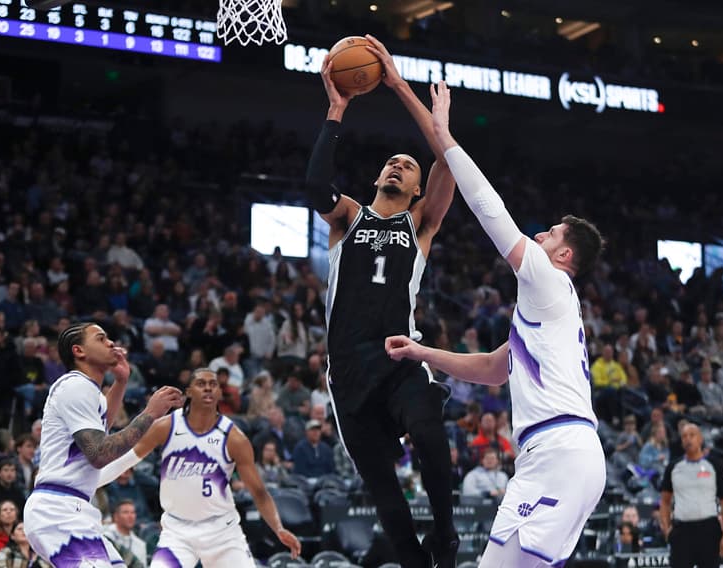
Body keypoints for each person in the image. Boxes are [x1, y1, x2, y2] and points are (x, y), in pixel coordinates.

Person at [385, 80, 606, 567]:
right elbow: (490, 368)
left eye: (550, 234)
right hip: (550, 455)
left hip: (559, 450)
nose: (540, 234)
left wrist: (444, 136)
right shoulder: (548, 315)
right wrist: (422, 353)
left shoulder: (548, 281)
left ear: (563, 255)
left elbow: (491, 211)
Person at [307, 37, 458, 568]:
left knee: (426, 427)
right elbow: (313, 185)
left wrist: (395, 83)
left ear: (419, 189)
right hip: (347, 367)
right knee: (384, 492)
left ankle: (447, 534)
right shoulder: (349, 215)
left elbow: (449, 158)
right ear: (377, 176)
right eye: (391, 162)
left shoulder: (420, 224)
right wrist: (335, 109)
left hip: (398, 354)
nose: (397, 166)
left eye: (407, 166)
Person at [95, 368, 301, 567]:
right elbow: (125, 461)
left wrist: (278, 527)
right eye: (201, 384)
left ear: (220, 393)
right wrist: (84, 486)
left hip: (222, 532)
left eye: (213, 384)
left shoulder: (234, 438)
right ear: (189, 392)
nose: (208, 388)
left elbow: (259, 492)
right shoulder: (166, 427)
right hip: (177, 532)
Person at [23, 322, 183, 566]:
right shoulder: (75, 385)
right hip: (57, 511)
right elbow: (99, 452)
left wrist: (120, 382)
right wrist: (150, 413)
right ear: (79, 351)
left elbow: (102, 429)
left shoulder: (88, 391)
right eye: (100, 338)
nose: (110, 343)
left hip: (73, 510)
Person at [659, 424, 723, 568]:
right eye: (684, 436)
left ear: (700, 439)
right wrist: (666, 529)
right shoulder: (673, 467)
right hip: (681, 530)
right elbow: (665, 501)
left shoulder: (715, 465)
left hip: (708, 529)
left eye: (692, 435)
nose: (688, 439)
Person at [103, 500, 147, 568]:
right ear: (116, 517)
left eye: (133, 512)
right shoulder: (104, 535)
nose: (130, 516)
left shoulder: (141, 545)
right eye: (125, 512)